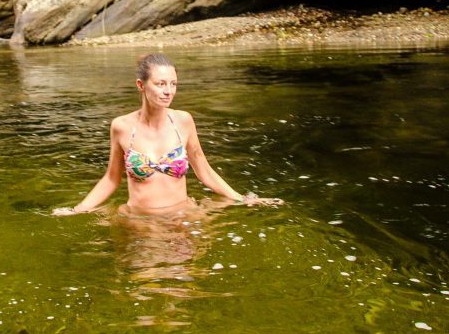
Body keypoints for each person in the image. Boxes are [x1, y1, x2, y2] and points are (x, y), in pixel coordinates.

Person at [53, 53, 282, 216]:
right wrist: (78, 209)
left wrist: (242, 199)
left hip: (183, 217)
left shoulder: (183, 121)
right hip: (139, 220)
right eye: (160, 83)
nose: (168, 91)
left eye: (173, 84)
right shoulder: (121, 126)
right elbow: (112, 178)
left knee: (184, 280)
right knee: (143, 281)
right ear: (141, 85)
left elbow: (204, 170)